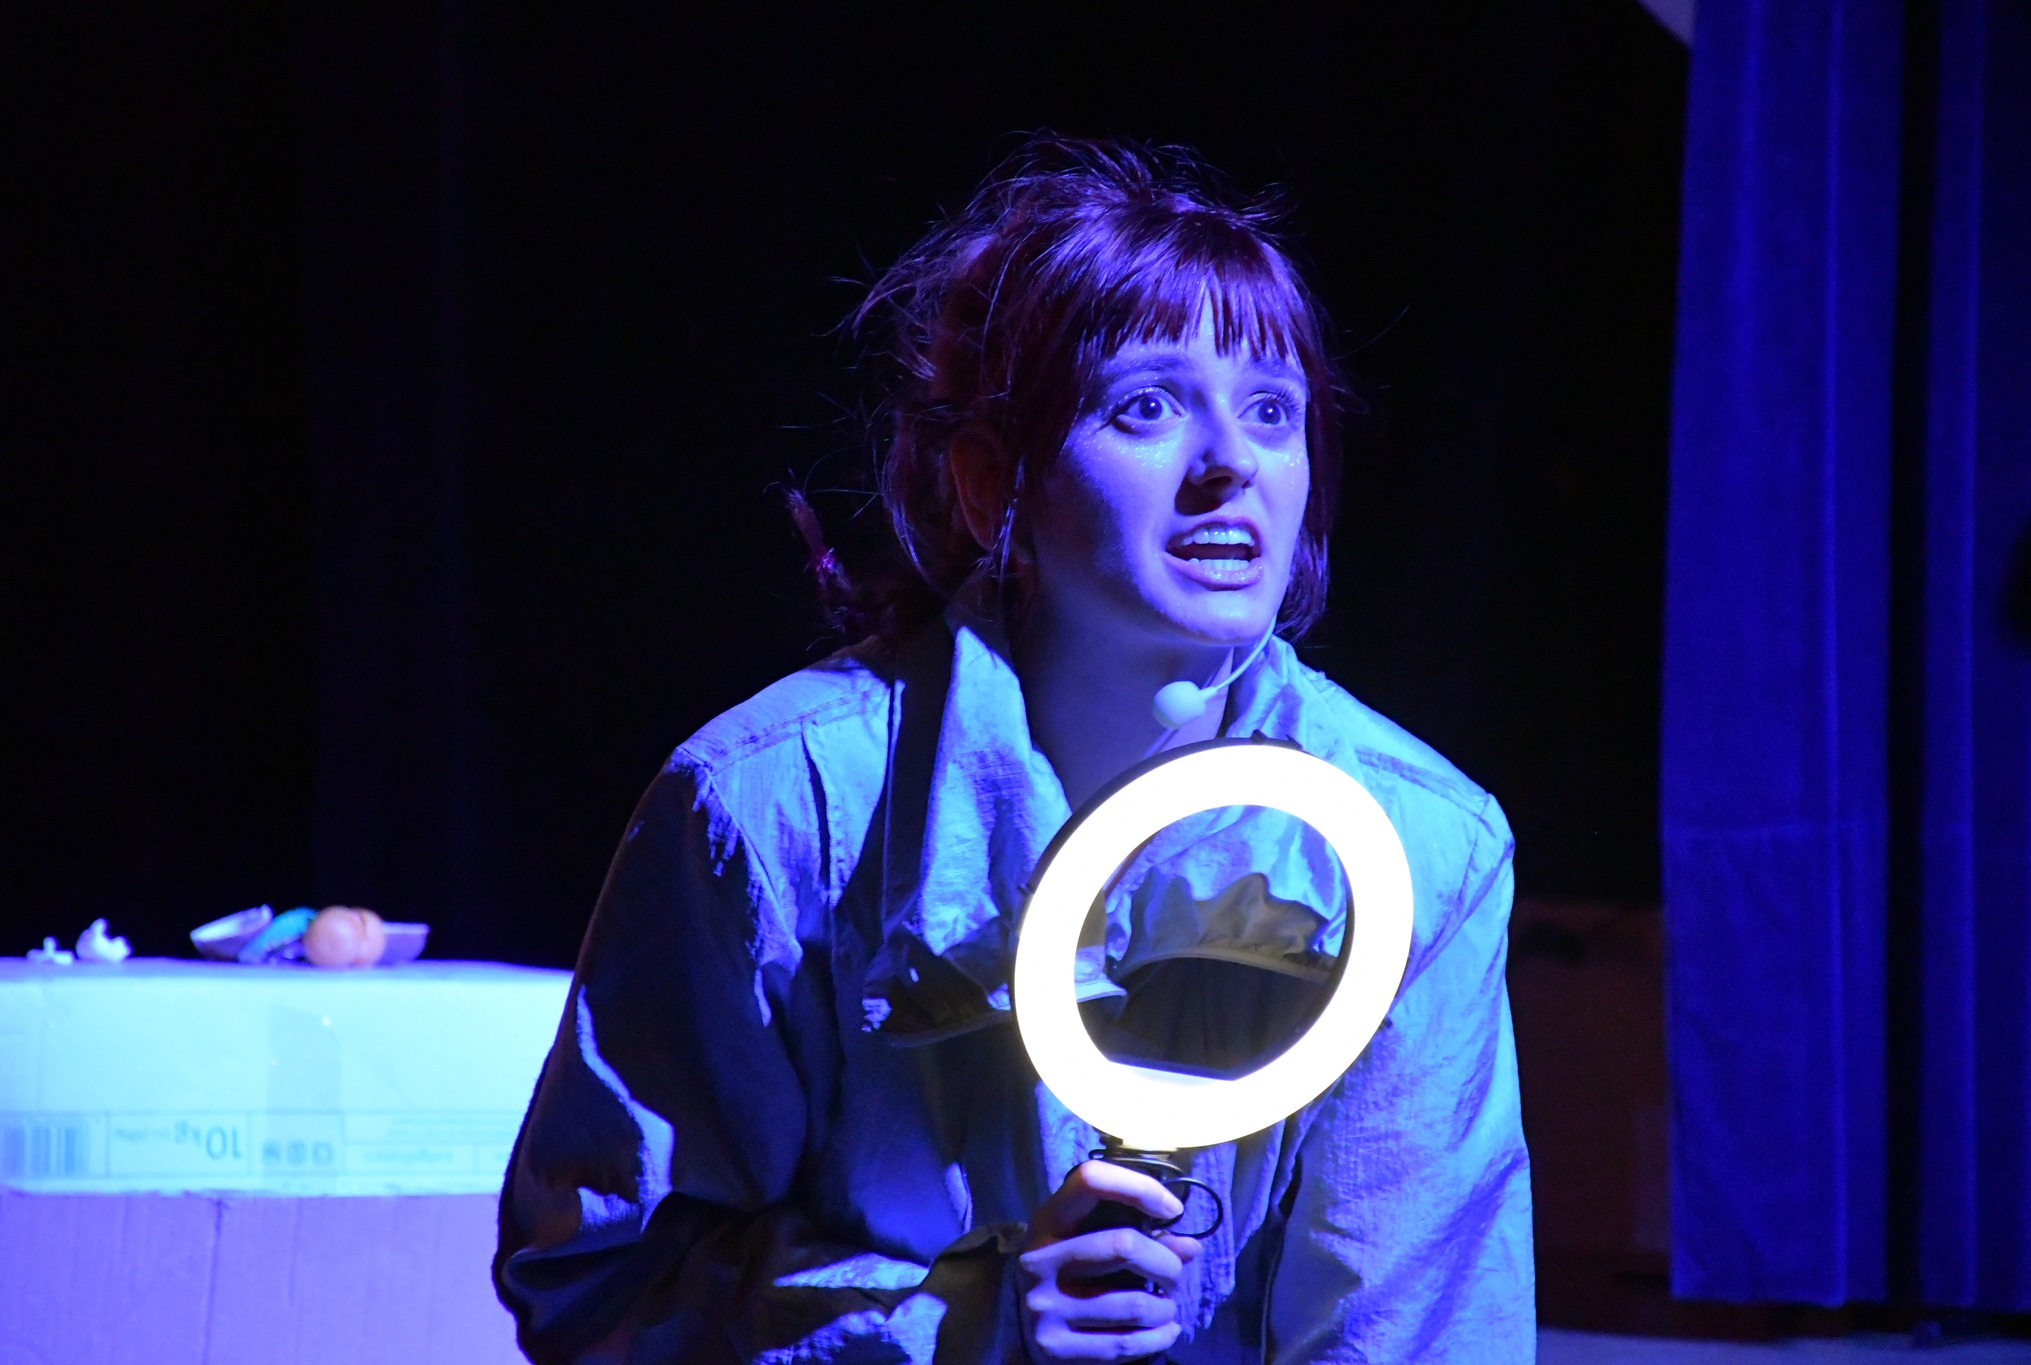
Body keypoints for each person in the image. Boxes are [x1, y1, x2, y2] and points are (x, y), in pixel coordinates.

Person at [495, 135, 1532, 1364]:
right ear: (992, 483)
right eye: (1147, 406)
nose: (1229, 465)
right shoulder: (773, 809)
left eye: (1271, 410)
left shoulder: (1419, 847)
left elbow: (1411, 1328)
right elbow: (595, 1285)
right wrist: (956, 1328)